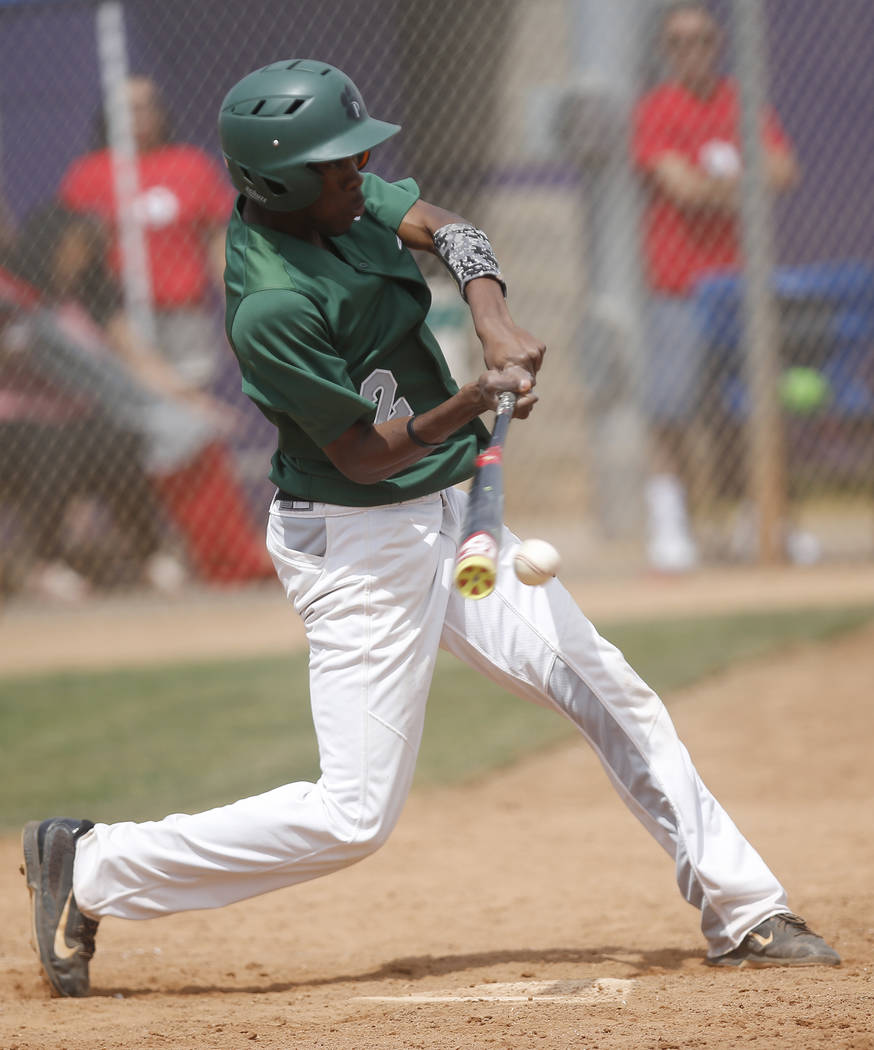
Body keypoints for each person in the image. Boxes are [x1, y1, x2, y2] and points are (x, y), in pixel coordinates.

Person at [22, 59, 838, 998]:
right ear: (281, 185)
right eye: (337, 168)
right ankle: (90, 867)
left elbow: (453, 230)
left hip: (449, 520)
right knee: (354, 816)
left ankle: (746, 909)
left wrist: (491, 319)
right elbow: (368, 456)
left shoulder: (340, 198)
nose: (358, 177)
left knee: (607, 687)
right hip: (358, 542)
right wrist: (472, 398)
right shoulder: (273, 306)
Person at [11, 203, 273, 586]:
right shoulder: (24, 306)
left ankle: (231, 554)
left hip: (97, 418)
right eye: (73, 250)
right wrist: (177, 407)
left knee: (191, 430)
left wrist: (191, 401)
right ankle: (224, 560)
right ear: (49, 246)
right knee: (180, 432)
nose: (78, 261)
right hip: (41, 428)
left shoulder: (80, 303)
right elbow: (99, 380)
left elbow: (136, 364)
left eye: (85, 252)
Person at [632, 0, 799, 571]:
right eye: (679, 42)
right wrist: (739, 183)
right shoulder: (657, 110)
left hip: (741, 290)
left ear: (717, 44)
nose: (692, 51)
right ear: (666, 50)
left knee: (752, 407)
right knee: (672, 408)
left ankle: (765, 520)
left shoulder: (740, 102)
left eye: (702, 39)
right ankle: (670, 524)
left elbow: (783, 169)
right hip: (678, 287)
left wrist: (722, 183)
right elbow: (682, 190)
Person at [58, 75, 234, 390]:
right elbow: (70, 251)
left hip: (184, 315)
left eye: (145, 106)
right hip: (116, 320)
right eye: (127, 107)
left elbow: (218, 245)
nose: (137, 115)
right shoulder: (88, 173)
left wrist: (235, 304)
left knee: (191, 405)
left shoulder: (192, 166)